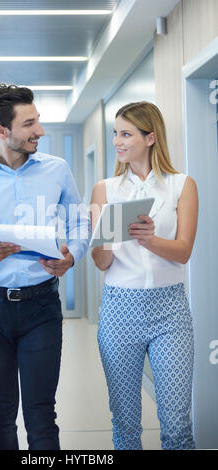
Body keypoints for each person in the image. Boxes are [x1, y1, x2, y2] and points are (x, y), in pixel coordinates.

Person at [0, 84, 90, 450]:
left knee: (41, 412)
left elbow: (79, 224)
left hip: (41, 307)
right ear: (2, 132)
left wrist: (71, 256)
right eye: (30, 124)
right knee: (1, 411)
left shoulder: (57, 170)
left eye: (38, 120)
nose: (40, 130)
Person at [90, 101, 198, 450]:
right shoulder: (104, 189)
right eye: (115, 134)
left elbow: (183, 251)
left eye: (126, 134)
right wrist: (110, 235)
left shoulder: (181, 185)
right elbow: (101, 262)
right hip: (119, 310)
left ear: (150, 137)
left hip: (171, 311)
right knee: (125, 425)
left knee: (178, 423)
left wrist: (149, 239)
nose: (117, 142)